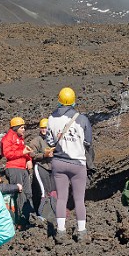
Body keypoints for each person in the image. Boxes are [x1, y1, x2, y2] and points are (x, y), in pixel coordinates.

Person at [46, 86, 92, 243]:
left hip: (58, 162)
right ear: (73, 101)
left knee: (61, 199)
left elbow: (49, 142)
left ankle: (60, 231)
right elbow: (88, 143)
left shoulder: (51, 118)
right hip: (78, 163)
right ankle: (82, 232)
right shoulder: (82, 119)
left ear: (59, 100)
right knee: (79, 199)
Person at [0, 116, 33, 226]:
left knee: (28, 193)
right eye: (22, 127)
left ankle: (28, 217)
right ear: (16, 127)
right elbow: (7, 154)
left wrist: (28, 159)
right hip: (14, 168)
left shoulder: (20, 138)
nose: (24, 129)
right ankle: (20, 221)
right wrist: (23, 153)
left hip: (22, 168)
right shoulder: (8, 138)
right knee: (19, 193)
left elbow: (23, 151)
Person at [28, 118, 56, 222]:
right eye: (42, 128)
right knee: (44, 191)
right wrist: (44, 155)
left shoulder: (54, 139)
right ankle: (42, 213)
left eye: (46, 128)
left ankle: (53, 212)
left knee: (53, 191)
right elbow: (32, 154)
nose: (44, 130)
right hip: (41, 167)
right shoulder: (37, 140)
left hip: (52, 167)